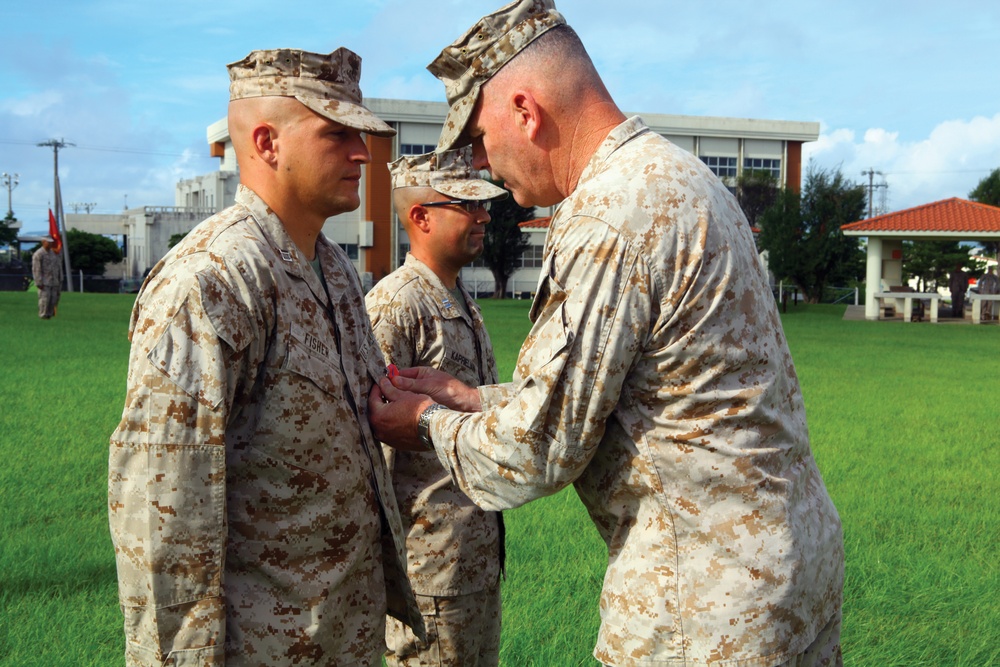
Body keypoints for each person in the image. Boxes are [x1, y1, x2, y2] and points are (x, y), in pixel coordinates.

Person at [368, 2, 845, 666]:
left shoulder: (608, 215)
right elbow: (644, 389)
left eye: (478, 137)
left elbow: (536, 452)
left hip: (704, 604)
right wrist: (471, 398)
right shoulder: (684, 179)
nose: (482, 165)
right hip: (786, 568)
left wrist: (423, 421)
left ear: (526, 112)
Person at [108, 47, 422, 666]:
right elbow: (164, 517)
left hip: (343, 633)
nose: (362, 153)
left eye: (361, 134)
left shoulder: (332, 268)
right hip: (262, 647)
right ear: (266, 142)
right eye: (337, 134)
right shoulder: (211, 282)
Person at [366, 148, 508, 667]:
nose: (483, 216)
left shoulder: (458, 300)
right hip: (428, 571)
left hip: (473, 560)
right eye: (466, 205)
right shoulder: (396, 305)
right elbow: (371, 448)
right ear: (420, 217)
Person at [31, 236, 61, 319]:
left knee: (53, 299)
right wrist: (38, 282)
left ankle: (49, 315)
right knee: (45, 300)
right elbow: (36, 269)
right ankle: (43, 315)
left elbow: (57, 267)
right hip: (44, 282)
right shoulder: (38, 254)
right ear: (43, 242)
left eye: (51, 242)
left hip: (54, 281)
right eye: (48, 242)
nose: (50, 243)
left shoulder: (53, 253)